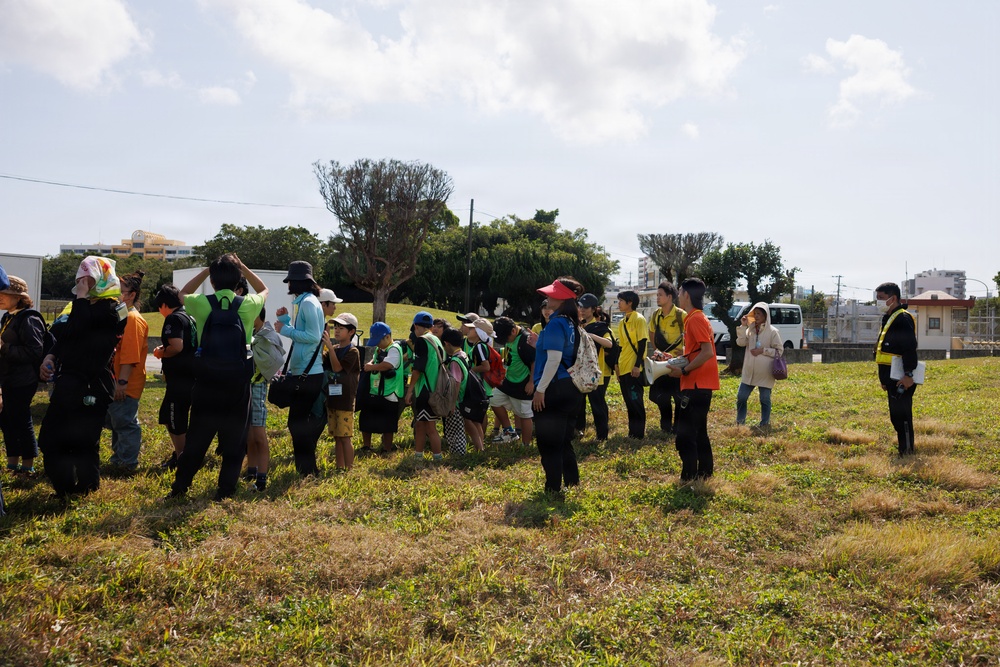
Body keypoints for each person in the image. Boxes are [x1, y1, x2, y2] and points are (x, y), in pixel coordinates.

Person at [168, 254, 268, 501]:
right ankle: (225, 490)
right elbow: (264, 289)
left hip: (206, 382)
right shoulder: (247, 304)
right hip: (237, 383)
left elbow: (181, 294)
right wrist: (243, 265)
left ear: (212, 281)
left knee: (197, 439)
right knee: (235, 441)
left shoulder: (202, 303)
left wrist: (206, 270)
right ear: (238, 282)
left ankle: (180, 487)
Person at [38, 256, 128, 499]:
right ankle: (65, 486)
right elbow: (67, 336)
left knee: (84, 440)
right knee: (50, 438)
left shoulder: (114, 310)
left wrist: (80, 298)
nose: (80, 283)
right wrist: (51, 357)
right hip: (70, 381)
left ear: (100, 279)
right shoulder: (82, 306)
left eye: (86, 278)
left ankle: (86, 488)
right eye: (79, 278)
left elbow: (81, 331)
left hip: (92, 385)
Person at [532, 277, 585, 495]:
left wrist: (540, 389)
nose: (547, 296)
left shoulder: (555, 322)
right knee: (563, 440)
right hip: (570, 389)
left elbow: (554, 360)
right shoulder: (571, 323)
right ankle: (572, 482)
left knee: (548, 443)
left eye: (551, 294)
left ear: (561, 298)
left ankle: (552, 489)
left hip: (553, 388)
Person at [274, 261, 327, 477]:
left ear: (296, 283)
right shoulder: (307, 301)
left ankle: (308, 470)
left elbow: (313, 337)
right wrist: (285, 321)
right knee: (298, 424)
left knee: (297, 425)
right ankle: (306, 469)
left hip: (309, 374)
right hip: (307, 373)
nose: (289, 286)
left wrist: (285, 329)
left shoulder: (307, 303)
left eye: (290, 281)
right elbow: (307, 333)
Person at [666, 278, 719, 482]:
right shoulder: (697, 317)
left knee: (685, 436)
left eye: (679, 293)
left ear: (686, 295)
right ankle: (704, 474)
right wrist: (674, 361)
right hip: (699, 384)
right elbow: (697, 352)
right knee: (698, 433)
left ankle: (689, 477)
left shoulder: (695, 319)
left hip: (697, 385)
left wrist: (684, 371)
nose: (678, 296)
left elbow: (706, 353)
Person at [0, 275, 46, 476]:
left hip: (22, 380)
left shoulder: (29, 318)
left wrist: (4, 348)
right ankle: (12, 464)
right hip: (8, 378)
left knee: (20, 419)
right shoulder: (7, 317)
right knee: (6, 420)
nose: (0, 297)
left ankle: (27, 466)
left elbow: (34, 351)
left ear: (19, 297)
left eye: (4, 293)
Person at [105, 271, 149, 474]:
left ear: (131, 295)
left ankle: (127, 463)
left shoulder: (132, 318)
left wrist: (121, 383)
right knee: (118, 423)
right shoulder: (124, 314)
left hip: (125, 383)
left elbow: (130, 356)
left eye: (117, 291)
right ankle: (119, 459)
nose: (112, 294)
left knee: (125, 423)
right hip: (119, 380)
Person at [151, 284, 197, 470]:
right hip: (191, 377)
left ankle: (183, 459)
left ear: (164, 305)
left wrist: (162, 353)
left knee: (174, 419)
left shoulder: (173, 318)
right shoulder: (189, 316)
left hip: (179, 380)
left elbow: (177, 347)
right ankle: (182, 454)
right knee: (172, 416)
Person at [874, 282, 918, 456]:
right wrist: (883, 380)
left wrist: (908, 375)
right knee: (896, 416)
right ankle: (903, 448)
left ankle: (907, 451)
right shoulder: (889, 317)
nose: (878, 302)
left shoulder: (902, 318)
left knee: (903, 416)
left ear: (892, 298)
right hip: (891, 378)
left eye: (881, 298)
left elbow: (909, 348)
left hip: (902, 378)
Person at [245, 306, 285, 491]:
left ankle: (262, 477)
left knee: (259, 435)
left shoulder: (266, 336)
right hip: (246, 388)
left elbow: (273, 361)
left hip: (259, 387)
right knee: (249, 435)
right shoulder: (250, 333)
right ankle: (250, 472)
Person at [735, 302, 783, 432]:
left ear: (765, 315)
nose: (756, 316)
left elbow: (779, 351)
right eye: (754, 313)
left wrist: (763, 350)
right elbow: (740, 343)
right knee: (741, 397)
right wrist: (742, 326)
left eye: (759, 314)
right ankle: (740, 422)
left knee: (764, 399)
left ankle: (765, 422)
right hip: (749, 371)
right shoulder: (750, 329)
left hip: (765, 373)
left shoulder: (773, 332)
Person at [404, 311, 445, 463]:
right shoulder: (436, 340)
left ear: (415, 326)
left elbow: (417, 369)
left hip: (424, 390)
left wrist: (409, 391)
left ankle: (438, 458)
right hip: (435, 388)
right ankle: (418, 455)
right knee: (420, 424)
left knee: (430, 427)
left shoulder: (422, 341)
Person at [323, 312, 361, 471]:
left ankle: (350, 469)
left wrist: (330, 348)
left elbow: (338, 368)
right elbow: (323, 361)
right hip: (332, 400)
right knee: (337, 437)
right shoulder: (335, 349)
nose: (337, 331)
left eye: (341, 328)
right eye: (335, 327)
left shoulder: (353, 352)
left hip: (345, 401)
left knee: (345, 437)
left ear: (351, 332)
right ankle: (340, 467)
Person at [490, 317, 536, 446]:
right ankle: (509, 431)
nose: (505, 341)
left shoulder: (526, 340)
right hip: (508, 381)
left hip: (523, 384)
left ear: (514, 331)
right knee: (493, 400)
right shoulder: (508, 338)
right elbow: (507, 356)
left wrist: (531, 382)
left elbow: (535, 362)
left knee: (525, 414)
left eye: (506, 339)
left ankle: (525, 444)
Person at [647, 281, 686, 434]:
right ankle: (665, 427)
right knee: (662, 396)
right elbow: (651, 333)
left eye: (660, 295)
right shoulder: (656, 315)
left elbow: (688, 337)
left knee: (678, 397)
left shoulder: (680, 315)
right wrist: (658, 351)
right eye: (657, 295)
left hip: (677, 362)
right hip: (660, 363)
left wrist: (680, 354)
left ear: (669, 297)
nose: (657, 298)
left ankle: (677, 427)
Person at [359, 321, 403, 454]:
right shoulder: (380, 349)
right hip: (375, 390)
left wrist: (371, 367)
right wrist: (370, 363)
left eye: (379, 340)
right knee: (366, 419)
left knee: (388, 424)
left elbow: (388, 365)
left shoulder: (394, 349)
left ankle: (387, 449)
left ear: (388, 337)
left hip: (390, 392)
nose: (377, 343)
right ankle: (366, 446)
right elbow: (374, 360)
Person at [576, 294, 613, 441]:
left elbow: (609, 344)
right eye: (580, 307)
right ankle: (578, 430)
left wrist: (589, 335)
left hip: (597, 372)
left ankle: (602, 435)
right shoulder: (578, 324)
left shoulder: (600, 327)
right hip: (580, 371)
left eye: (585, 308)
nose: (582, 310)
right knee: (579, 403)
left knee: (597, 404)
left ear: (593, 309)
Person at [616, 289, 648, 440]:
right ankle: (632, 432)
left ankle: (639, 433)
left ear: (630, 303)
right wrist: (617, 366)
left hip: (634, 368)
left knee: (636, 401)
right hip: (623, 367)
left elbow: (642, 343)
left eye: (621, 300)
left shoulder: (638, 319)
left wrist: (637, 365)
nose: (619, 303)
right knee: (629, 401)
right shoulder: (622, 322)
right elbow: (621, 347)